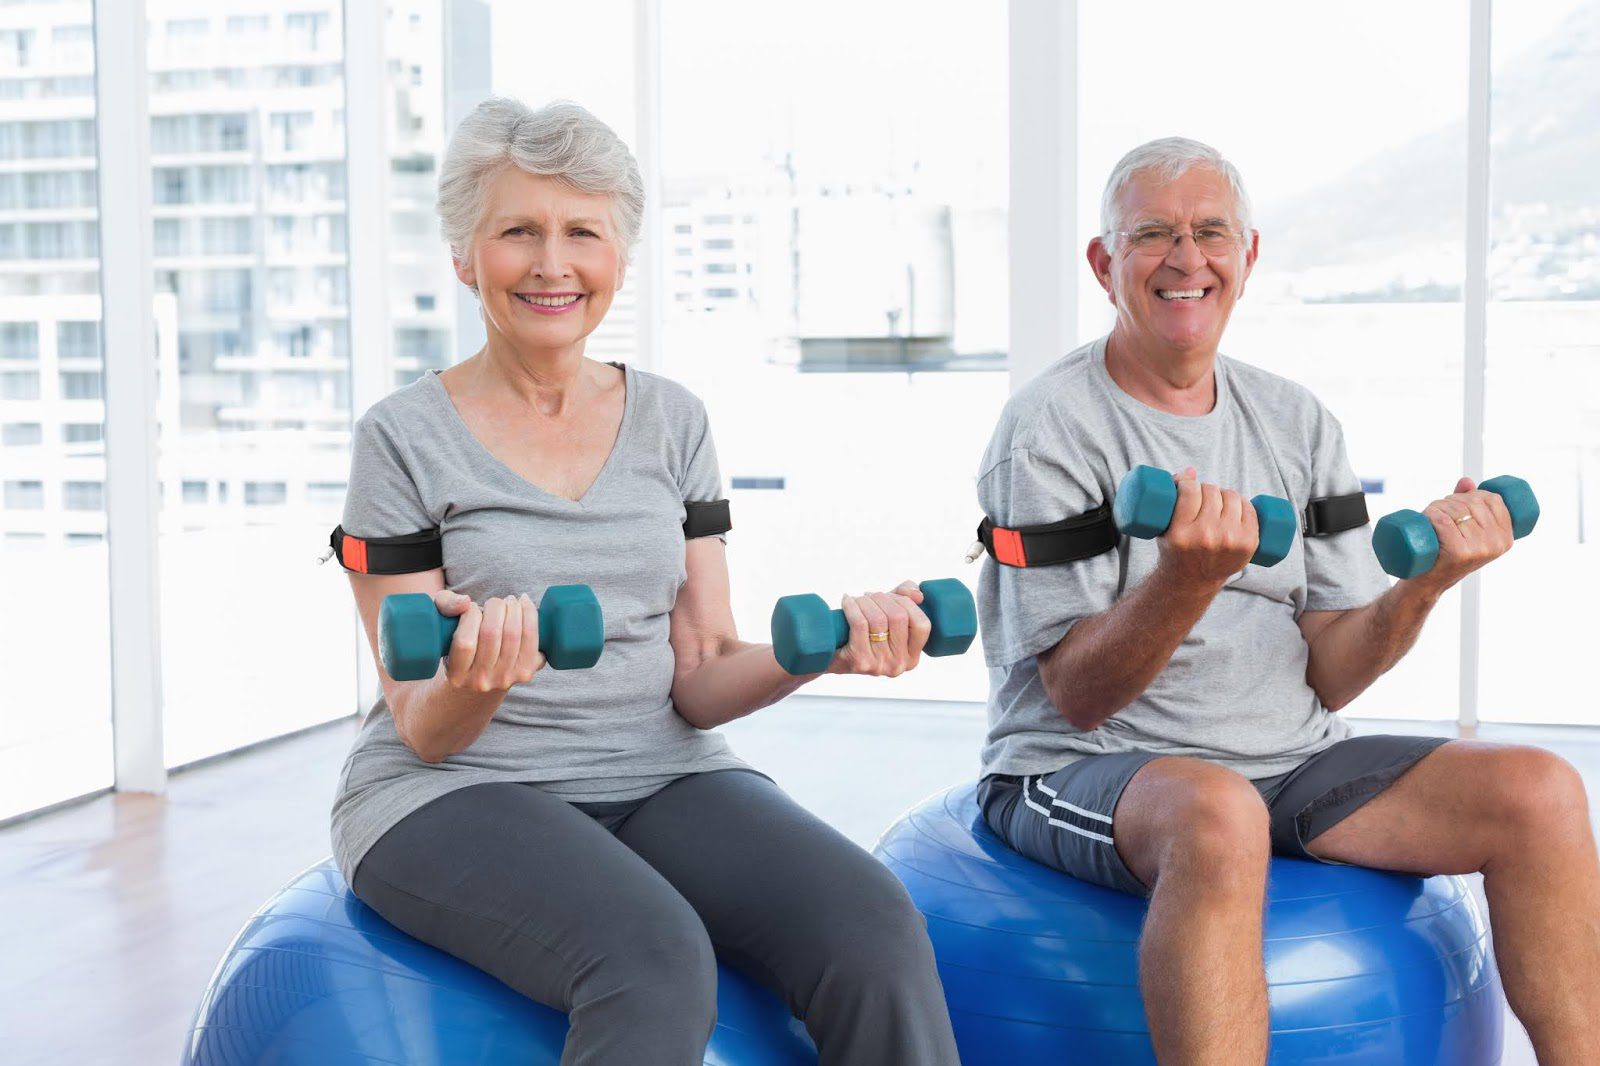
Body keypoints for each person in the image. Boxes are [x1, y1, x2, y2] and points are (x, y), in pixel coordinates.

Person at [329, 97, 960, 1066]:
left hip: (661, 770)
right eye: (517, 232)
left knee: (873, 926)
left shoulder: (673, 420)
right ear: (464, 255)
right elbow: (420, 718)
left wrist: (821, 647)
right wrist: (476, 675)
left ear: (617, 256)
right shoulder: (401, 438)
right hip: (453, 787)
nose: (552, 263)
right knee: (654, 959)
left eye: (582, 231)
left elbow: (700, 668)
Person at [973, 136, 1600, 1065]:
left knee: (1540, 789)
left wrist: (1422, 585)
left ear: (1248, 257)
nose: (1188, 260)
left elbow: (1333, 671)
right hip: (1077, 765)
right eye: (1154, 235)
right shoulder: (1050, 428)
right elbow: (1076, 696)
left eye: (1211, 233)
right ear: (1106, 264)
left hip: (1288, 761)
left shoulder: (1297, 421)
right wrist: (1186, 582)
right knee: (1218, 812)